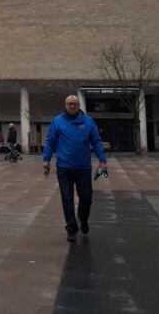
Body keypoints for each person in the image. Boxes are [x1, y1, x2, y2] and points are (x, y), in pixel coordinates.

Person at [43, 94, 108, 242]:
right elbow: (50, 141)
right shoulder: (57, 122)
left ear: (79, 106)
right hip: (64, 168)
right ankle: (71, 227)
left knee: (86, 199)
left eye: (75, 104)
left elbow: (97, 142)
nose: (72, 106)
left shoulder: (88, 122)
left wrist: (102, 161)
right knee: (67, 198)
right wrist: (46, 159)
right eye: (70, 104)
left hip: (83, 167)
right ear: (65, 105)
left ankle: (83, 218)